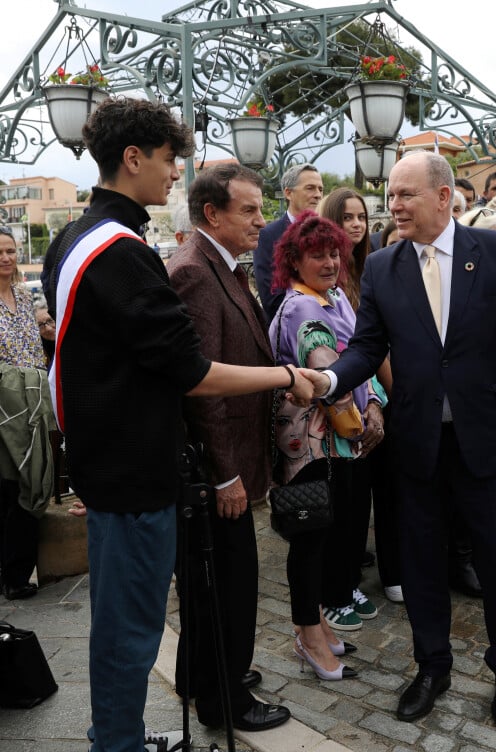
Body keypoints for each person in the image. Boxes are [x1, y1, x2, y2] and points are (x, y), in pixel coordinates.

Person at [45, 97, 314, 752]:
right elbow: (191, 372)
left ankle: (122, 737)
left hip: (106, 463)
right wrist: (284, 376)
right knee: (130, 630)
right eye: (168, 160)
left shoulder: (73, 238)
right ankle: (119, 745)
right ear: (133, 158)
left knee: (122, 624)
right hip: (134, 473)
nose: (174, 176)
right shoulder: (122, 253)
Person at [307, 151, 496, 732]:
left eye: (405, 195)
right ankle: (432, 665)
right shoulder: (383, 267)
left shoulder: (494, 254)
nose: (392, 205)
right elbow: (367, 348)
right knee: (420, 563)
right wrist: (328, 380)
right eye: (390, 195)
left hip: (491, 443)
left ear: (444, 197)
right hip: (417, 444)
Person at [167, 163, 290, 732]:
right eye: (249, 210)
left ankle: (201, 675)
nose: (260, 222)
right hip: (220, 467)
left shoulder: (223, 266)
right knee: (229, 589)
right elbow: (202, 387)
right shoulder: (195, 271)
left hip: (233, 458)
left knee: (211, 586)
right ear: (212, 213)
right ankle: (226, 702)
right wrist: (225, 475)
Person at [270, 210, 385, 676]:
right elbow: (327, 369)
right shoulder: (300, 307)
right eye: (317, 255)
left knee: (325, 534)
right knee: (309, 540)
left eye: (334, 252)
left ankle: (317, 623)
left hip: (339, 439)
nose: (330, 261)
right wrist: (366, 412)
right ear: (294, 262)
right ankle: (307, 635)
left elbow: (366, 355)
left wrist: (374, 401)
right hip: (309, 448)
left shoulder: (335, 296)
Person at [318, 187, 396, 606]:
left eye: (362, 217)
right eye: (347, 217)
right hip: (345, 407)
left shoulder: (373, 267)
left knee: (372, 495)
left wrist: (378, 401)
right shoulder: (327, 284)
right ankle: (338, 589)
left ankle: (365, 573)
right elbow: (358, 351)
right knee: (344, 505)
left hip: (375, 397)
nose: (356, 225)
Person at [0, 226, 53, 601]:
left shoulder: (23, 295)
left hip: (32, 402)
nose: (6, 258)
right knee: (5, 485)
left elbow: (37, 346)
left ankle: (18, 572)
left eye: (11, 251)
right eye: (0, 252)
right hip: (4, 405)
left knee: (30, 483)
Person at [254, 163, 324, 322]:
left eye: (320, 189)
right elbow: (270, 298)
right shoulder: (268, 235)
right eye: (310, 188)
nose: (318, 194)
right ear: (288, 193)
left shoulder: (328, 233)